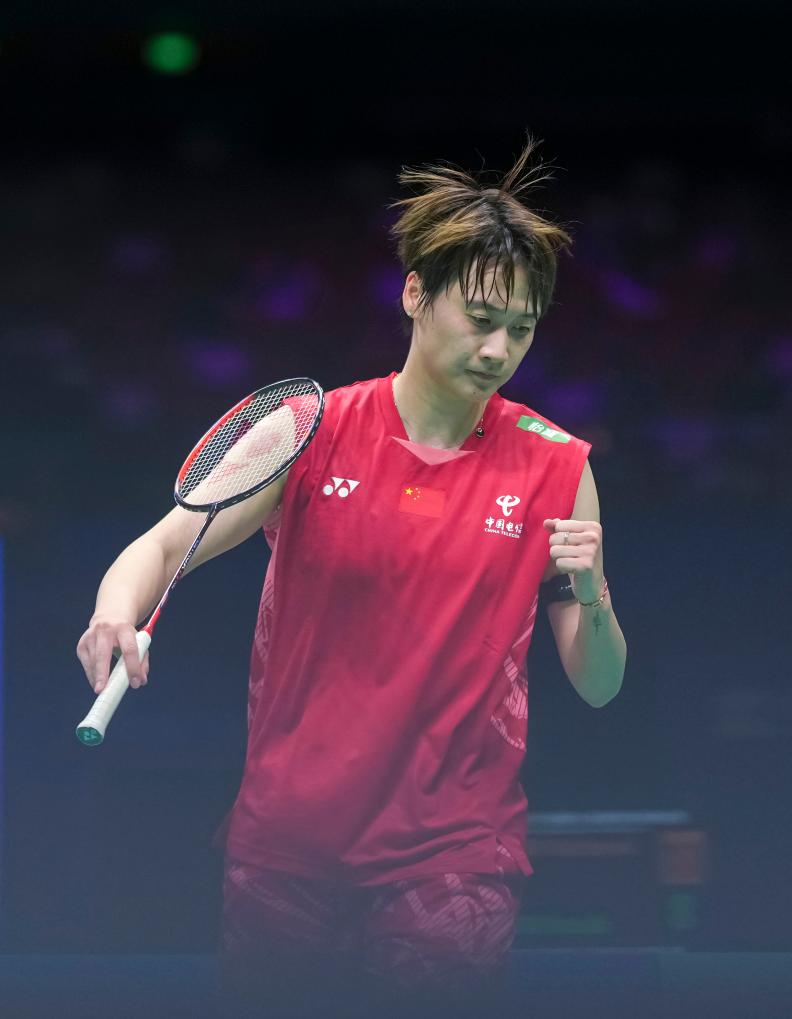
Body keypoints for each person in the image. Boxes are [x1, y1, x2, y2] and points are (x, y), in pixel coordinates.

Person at [77, 136, 627, 1017]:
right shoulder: (310, 430)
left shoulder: (556, 466)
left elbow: (599, 684)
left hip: (453, 856)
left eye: (521, 329)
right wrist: (115, 612)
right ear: (415, 293)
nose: (498, 348)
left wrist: (591, 592)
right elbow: (165, 544)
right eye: (480, 317)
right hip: (287, 846)